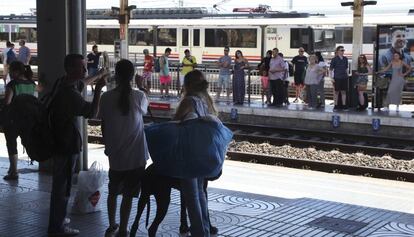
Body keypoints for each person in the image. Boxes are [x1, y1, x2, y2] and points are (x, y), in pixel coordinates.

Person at [48, 54, 106, 236]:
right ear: (72, 69)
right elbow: (92, 112)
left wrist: (99, 75)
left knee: (59, 184)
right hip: (66, 143)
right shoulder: (70, 95)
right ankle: (57, 227)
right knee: (62, 187)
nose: (85, 70)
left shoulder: (61, 83)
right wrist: (98, 90)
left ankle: (58, 218)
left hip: (57, 140)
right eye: (82, 67)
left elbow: (82, 82)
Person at [99, 59, 148, 237]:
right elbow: (144, 111)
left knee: (113, 191)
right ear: (133, 76)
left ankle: (112, 224)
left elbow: (104, 124)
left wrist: (108, 145)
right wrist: (142, 87)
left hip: (116, 156)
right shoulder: (139, 96)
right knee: (128, 194)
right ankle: (123, 229)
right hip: (136, 156)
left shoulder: (106, 97)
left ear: (116, 75)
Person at [174, 70, 218, 237]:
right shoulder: (206, 100)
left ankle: (199, 233)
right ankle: (204, 231)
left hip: (188, 154)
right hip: (203, 153)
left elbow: (175, 122)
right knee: (200, 194)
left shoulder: (189, 101)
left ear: (187, 85)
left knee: (191, 196)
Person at [2, 61, 36, 180]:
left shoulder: (13, 84)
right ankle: (12, 168)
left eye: (11, 70)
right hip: (27, 119)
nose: (10, 73)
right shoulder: (31, 83)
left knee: (11, 144)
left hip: (13, 119)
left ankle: (14, 171)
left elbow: (7, 102)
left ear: (16, 71)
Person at [330, 46, 349, 111]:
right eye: (341, 50)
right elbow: (331, 69)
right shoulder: (334, 59)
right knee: (336, 92)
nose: (343, 51)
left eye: (343, 50)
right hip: (337, 77)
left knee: (344, 92)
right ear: (338, 51)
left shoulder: (345, 59)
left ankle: (344, 105)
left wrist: (347, 76)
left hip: (344, 77)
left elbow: (346, 68)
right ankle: (336, 105)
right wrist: (331, 78)